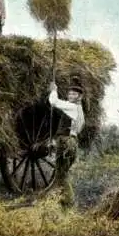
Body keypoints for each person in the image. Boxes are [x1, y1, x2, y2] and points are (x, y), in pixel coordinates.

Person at [48, 80, 85, 208]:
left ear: (79, 97)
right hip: (72, 142)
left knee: (62, 174)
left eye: (74, 94)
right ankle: (62, 199)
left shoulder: (72, 107)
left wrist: (54, 90)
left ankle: (69, 202)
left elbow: (54, 102)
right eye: (69, 93)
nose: (70, 96)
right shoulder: (79, 109)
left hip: (66, 143)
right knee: (62, 173)